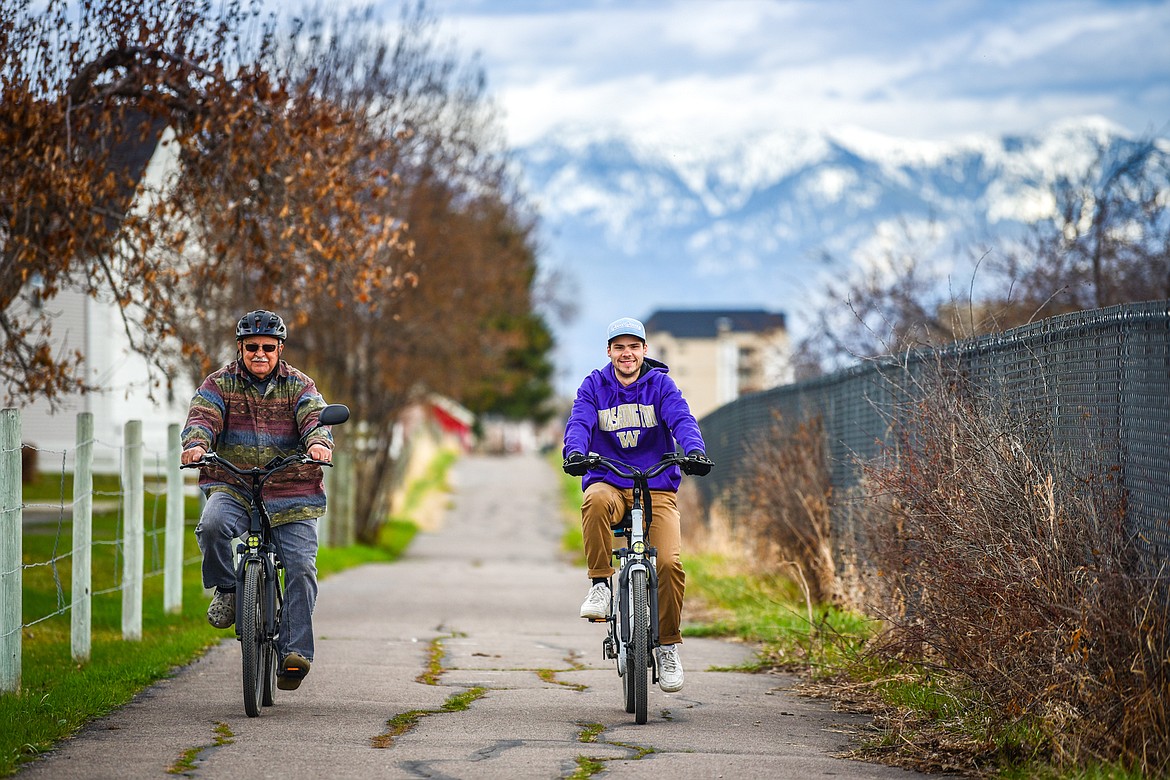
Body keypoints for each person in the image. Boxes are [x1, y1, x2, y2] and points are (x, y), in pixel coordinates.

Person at [180, 309, 334, 692]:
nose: (260, 354)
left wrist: (317, 443)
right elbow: (203, 415)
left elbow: (315, 417)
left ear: (280, 348)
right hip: (234, 484)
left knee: (300, 568)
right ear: (240, 348)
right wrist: (197, 444)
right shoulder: (219, 383)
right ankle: (229, 590)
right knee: (213, 526)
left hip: (291, 492)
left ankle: (293, 653)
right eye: (252, 347)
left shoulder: (300, 385)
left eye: (268, 347)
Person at [562, 316, 713, 693]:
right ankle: (600, 583)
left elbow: (681, 418)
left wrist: (693, 450)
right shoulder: (594, 387)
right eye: (619, 347)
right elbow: (579, 423)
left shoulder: (660, 385)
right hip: (610, 482)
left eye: (633, 346)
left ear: (645, 350)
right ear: (609, 352)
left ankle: (667, 646)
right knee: (593, 498)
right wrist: (576, 452)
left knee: (669, 564)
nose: (626, 353)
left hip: (656, 488)